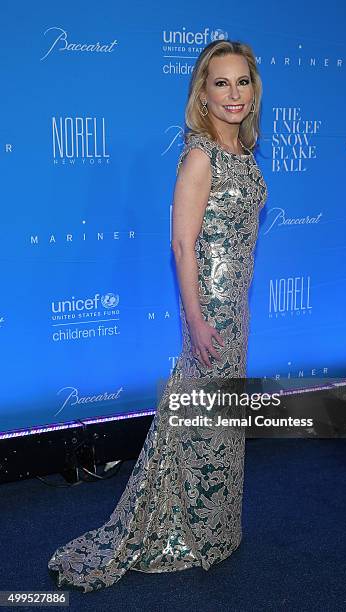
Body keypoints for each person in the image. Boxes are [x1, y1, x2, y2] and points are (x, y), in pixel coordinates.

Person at [47, 39, 268, 593]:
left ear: (253, 89)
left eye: (242, 81)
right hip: (211, 310)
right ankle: (182, 529)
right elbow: (181, 244)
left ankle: (212, 527)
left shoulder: (244, 151)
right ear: (203, 92)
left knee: (218, 421)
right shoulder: (201, 155)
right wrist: (195, 319)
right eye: (221, 83)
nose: (233, 93)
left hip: (235, 306)